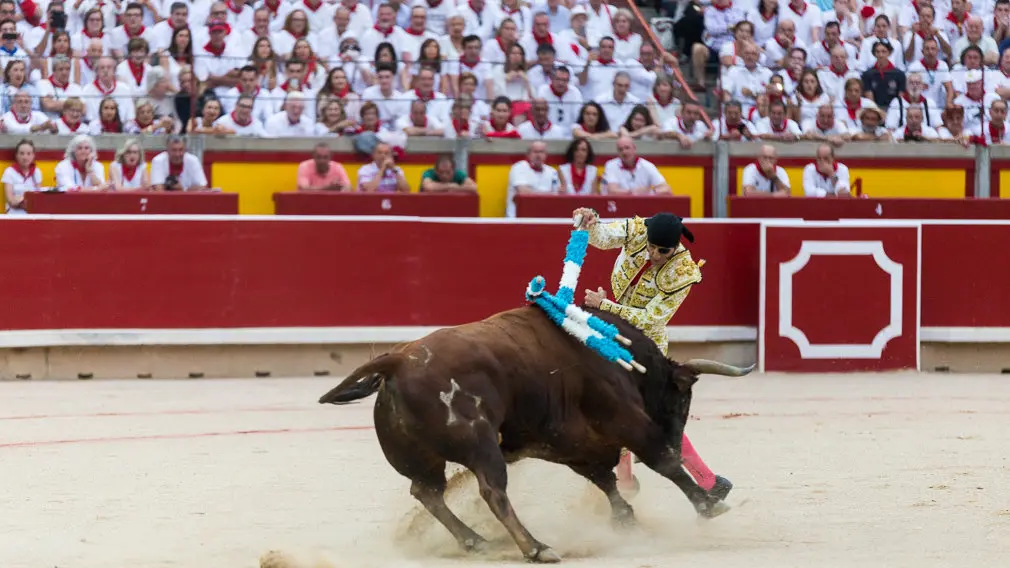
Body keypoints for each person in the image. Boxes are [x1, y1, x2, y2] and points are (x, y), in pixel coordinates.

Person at [572, 208, 733, 509]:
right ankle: (634, 482)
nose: (655, 254)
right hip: (611, 330)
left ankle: (704, 482)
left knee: (651, 419)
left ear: (675, 247)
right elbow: (603, 238)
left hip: (646, 346)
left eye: (663, 250)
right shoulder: (637, 230)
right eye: (651, 247)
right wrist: (592, 223)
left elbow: (650, 320)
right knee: (616, 411)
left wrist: (605, 305)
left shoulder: (683, 271)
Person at [2, 139, 42, 214]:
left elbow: (39, 197)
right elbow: (11, 200)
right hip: (14, 213)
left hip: (32, 212)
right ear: (16, 155)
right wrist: (26, 203)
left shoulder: (37, 171)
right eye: (21, 153)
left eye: (28, 154)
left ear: (33, 156)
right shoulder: (9, 172)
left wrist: (20, 200)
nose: (25, 157)